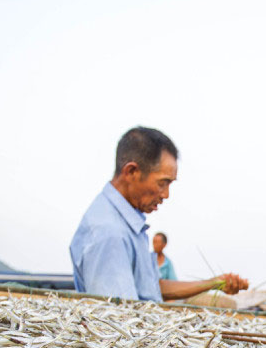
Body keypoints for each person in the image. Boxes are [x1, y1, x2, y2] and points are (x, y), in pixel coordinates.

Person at [68, 127, 247, 301]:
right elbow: (118, 315)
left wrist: (213, 283)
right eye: (162, 183)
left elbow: (151, 287)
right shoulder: (109, 233)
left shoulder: (127, 225)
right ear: (131, 172)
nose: (166, 195)